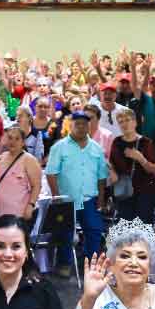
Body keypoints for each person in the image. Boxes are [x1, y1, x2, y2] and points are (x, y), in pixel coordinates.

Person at [44, 109, 110, 275]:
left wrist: (101, 199)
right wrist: (57, 197)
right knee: (65, 233)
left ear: (89, 126)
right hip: (66, 200)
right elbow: (51, 173)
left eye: (84, 124)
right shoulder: (59, 147)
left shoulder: (96, 148)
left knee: (94, 230)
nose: (81, 127)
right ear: (70, 125)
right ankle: (64, 264)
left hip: (89, 199)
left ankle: (90, 264)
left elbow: (102, 176)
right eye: (77, 124)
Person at [108, 107, 155, 224]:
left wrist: (140, 158)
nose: (124, 124)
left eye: (127, 120)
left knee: (142, 228)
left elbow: (154, 169)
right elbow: (112, 164)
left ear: (135, 122)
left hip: (144, 193)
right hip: (124, 192)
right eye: (121, 122)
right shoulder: (116, 142)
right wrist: (112, 171)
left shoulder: (146, 142)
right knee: (125, 228)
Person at [0, 124, 41, 221]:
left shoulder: (29, 160)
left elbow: (36, 186)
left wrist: (31, 205)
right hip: (0, 214)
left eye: (17, 139)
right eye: (10, 138)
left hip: (20, 215)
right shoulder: (2, 157)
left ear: (23, 142)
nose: (13, 142)